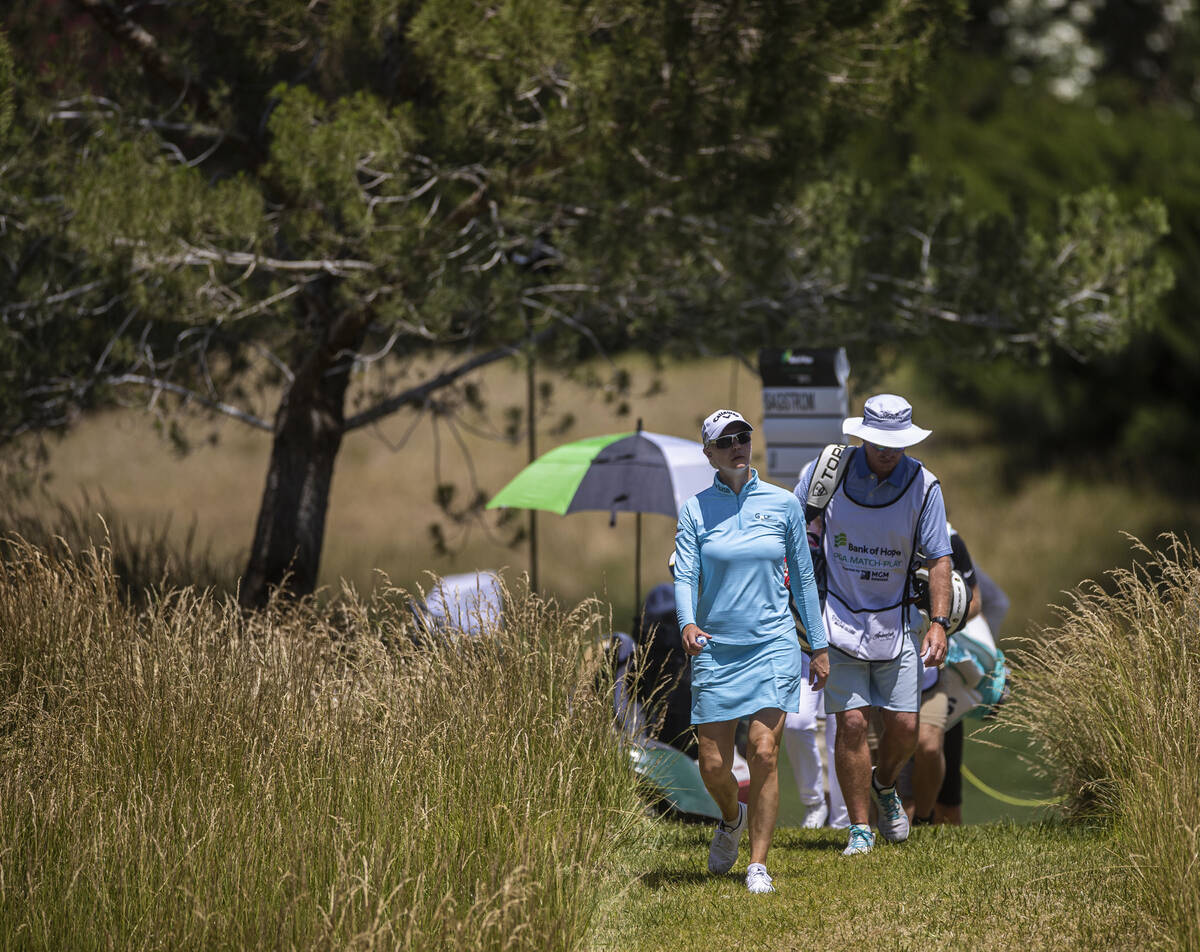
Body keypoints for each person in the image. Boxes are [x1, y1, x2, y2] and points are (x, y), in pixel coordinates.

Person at [674, 409, 829, 894]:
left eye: (743, 437)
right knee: (714, 765)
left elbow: (803, 579)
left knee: (763, 751)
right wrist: (688, 622)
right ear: (710, 455)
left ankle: (757, 865)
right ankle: (730, 818)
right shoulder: (695, 510)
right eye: (726, 442)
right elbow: (684, 574)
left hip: (773, 644)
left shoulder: (783, 504)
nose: (737, 446)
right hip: (716, 648)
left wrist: (818, 645)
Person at [794, 393, 952, 856]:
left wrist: (938, 623)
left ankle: (885, 786)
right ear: (861, 436)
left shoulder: (924, 484)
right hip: (837, 617)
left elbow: (940, 558)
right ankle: (860, 828)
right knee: (853, 725)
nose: (886, 451)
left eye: (895, 443)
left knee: (905, 727)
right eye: (878, 441)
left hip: (897, 618)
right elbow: (794, 534)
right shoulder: (825, 472)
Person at [903, 523, 982, 825]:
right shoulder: (880, 527)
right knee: (886, 760)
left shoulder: (950, 538)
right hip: (886, 659)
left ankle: (923, 821)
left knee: (930, 746)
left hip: (933, 667)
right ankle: (877, 832)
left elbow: (975, 600)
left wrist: (944, 614)